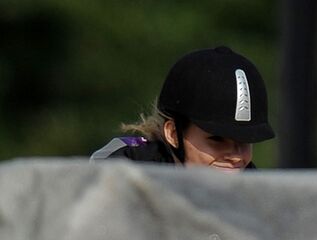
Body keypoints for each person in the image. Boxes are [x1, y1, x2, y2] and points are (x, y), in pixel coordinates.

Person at [91, 45, 274, 169]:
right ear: (172, 133)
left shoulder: (252, 189)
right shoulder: (121, 168)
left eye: (244, 141)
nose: (236, 157)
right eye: (217, 139)